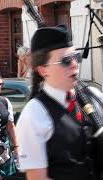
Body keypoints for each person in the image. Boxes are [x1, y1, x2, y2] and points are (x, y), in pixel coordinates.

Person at [16, 25, 103, 180]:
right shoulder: (34, 115)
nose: (75, 64)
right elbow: (38, 178)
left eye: (76, 57)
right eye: (65, 61)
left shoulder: (94, 96)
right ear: (43, 70)